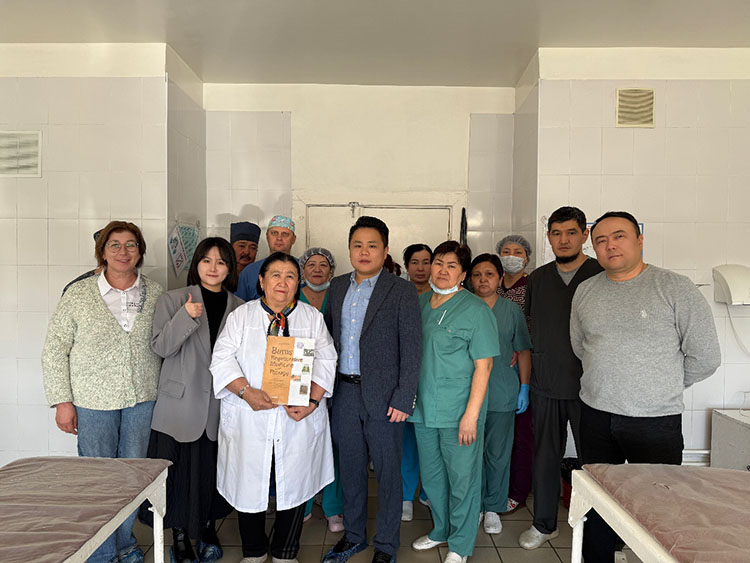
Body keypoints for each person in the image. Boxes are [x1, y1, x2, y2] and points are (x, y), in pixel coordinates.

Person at [570, 211, 721, 562]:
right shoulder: (586, 291)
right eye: (601, 240)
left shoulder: (674, 287)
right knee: (598, 500)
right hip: (595, 415)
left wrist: (659, 385)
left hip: (655, 419)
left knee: (658, 505)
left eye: (619, 236)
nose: (610, 245)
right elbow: (581, 346)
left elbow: (706, 356)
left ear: (640, 239)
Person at [42, 220, 163, 563]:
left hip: (142, 399)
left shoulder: (156, 293)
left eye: (130, 245)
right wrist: (62, 401)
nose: (123, 252)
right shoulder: (79, 294)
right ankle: (102, 551)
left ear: (140, 251)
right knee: (98, 479)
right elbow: (55, 349)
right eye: (115, 245)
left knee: (133, 476)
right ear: (103, 252)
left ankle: (124, 543)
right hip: (93, 401)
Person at [210, 252, 337, 563]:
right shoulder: (241, 316)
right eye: (275, 275)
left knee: (295, 480)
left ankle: (285, 552)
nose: (283, 282)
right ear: (262, 281)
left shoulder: (311, 318)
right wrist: (245, 392)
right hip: (249, 415)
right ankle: (253, 551)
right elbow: (221, 359)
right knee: (248, 480)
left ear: (298, 283)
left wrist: (312, 402)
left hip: (297, 417)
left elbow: (327, 360)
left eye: (290, 276)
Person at [322, 216, 422, 563]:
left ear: (385, 250)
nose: (364, 252)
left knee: (388, 472)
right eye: (357, 245)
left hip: (386, 398)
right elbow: (327, 341)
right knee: (350, 469)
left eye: (372, 245)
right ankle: (353, 536)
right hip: (344, 394)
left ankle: (386, 545)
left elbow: (412, 348)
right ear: (349, 249)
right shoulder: (337, 287)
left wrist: (404, 397)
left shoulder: (401, 290)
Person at [145, 237, 244, 563]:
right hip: (181, 405)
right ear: (196, 264)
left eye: (221, 262)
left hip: (220, 405)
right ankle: (180, 537)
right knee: (178, 475)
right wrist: (185, 317)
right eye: (206, 260)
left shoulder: (240, 306)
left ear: (229, 269)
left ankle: (206, 528)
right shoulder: (173, 300)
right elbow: (161, 347)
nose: (213, 268)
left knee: (211, 472)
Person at [517, 206, 604, 550]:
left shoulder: (601, 275)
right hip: (547, 383)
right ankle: (544, 524)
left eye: (571, 232)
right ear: (549, 237)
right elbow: (530, 327)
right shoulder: (538, 280)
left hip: (592, 388)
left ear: (585, 235)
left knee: (595, 463)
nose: (563, 240)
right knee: (545, 458)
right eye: (556, 233)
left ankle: (602, 536)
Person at [410, 241, 499, 563]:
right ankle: (441, 530)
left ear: (463, 274)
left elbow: (484, 366)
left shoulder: (476, 310)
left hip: (459, 410)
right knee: (433, 476)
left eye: (451, 266)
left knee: (462, 480)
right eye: (438, 263)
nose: (442, 270)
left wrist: (470, 416)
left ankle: (460, 544)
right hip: (422, 409)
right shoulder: (420, 303)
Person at [468, 253, 531, 536]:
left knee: (498, 452)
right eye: (477, 274)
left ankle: (493, 506)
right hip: (467, 394)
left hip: (503, 391)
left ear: (500, 277)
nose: (483, 279)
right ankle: (474, 505)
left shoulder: (511, 311)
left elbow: (523, 350)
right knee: (471, 454)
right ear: (470, 279)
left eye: (489, 274)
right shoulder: (463, 307)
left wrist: (524, 386)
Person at [297, 247, 344, 533]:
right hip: (299, 379)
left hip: (336, 379)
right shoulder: (292, 296)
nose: (317, 269)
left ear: (331, 270)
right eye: (311, 264)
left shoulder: (339, 295)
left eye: (323, 265)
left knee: (334, 445)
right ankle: (301, 504)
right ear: (302, 270)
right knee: (301, 443)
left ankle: (333, 507)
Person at [495, 234, 534, 513]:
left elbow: (535, 327)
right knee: (496, 438)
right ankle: (493, 489)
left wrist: (519, 351)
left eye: (517, 252)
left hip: (522, 369)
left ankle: (517, 492)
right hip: (494, 369)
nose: (511, 256)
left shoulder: (532, 288)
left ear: (526, 258)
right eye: (506, 251)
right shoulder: (491, 286)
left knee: (521, 437)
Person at [400, 243, 433, 521]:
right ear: (406, 266)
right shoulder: (398, 294)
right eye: (415, 262)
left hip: (432, 379)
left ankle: (428, 492)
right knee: (406, 442)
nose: (420, 268)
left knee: (430, 443)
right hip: (402, 379)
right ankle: (405, 495)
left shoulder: (442, 297)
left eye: (426, 262)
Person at [237, 215, 298, 301]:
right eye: (274, 233)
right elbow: (240, 305)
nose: (279, 238)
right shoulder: (249, 272)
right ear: (267, 236)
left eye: (285, 234)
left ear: (293, 239)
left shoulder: (304, 270)